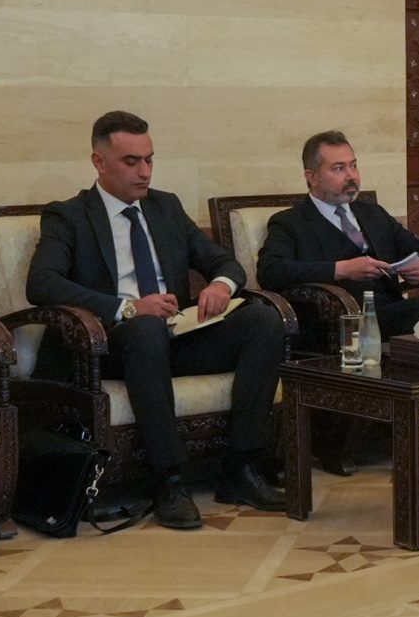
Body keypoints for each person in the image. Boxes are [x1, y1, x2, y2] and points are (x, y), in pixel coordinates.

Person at [27, 111, 287, 529]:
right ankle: (169, 480)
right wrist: (129, 308)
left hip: (173, 336)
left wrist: (219, 285)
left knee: (263, 321)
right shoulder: (69, 215)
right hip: (107, 346)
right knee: (145, 329)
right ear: (98, 162)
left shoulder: (166, 207)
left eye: (149, 159)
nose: (144, 172)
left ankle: (241, 468)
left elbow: (224, 262)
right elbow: (42, 283)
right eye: (131, 161)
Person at [258, 131, 419, 479]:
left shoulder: (371, 213)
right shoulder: (290, 222)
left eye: (353, 166)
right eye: (338, 168)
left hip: (390, 311)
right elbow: (271, 271)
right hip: (341, 322)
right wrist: (340, 269)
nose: (351, 176)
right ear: (312, 176)